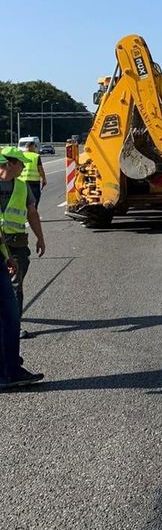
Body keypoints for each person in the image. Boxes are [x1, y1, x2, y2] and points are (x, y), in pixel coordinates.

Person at [0, 151, 43, 390]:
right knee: (8, 312)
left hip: (9, 250)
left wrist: (7, 256)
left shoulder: (22, 186)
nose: (24, 169)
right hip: (8, 250)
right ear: (10, 163)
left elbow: (31, 214)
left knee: (9, 312)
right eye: (21, 165)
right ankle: (9, 371)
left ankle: (10, 369)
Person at [20, 140, 46, 206]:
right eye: (34, 147)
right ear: (31, 147)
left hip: (22, 182)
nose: (35, 149)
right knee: (35, 200)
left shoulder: (21, 155)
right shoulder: (36, 156)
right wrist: (44, 179)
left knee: (23, 200)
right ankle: (33, 212)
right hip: (34, 182)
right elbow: (40, 169)